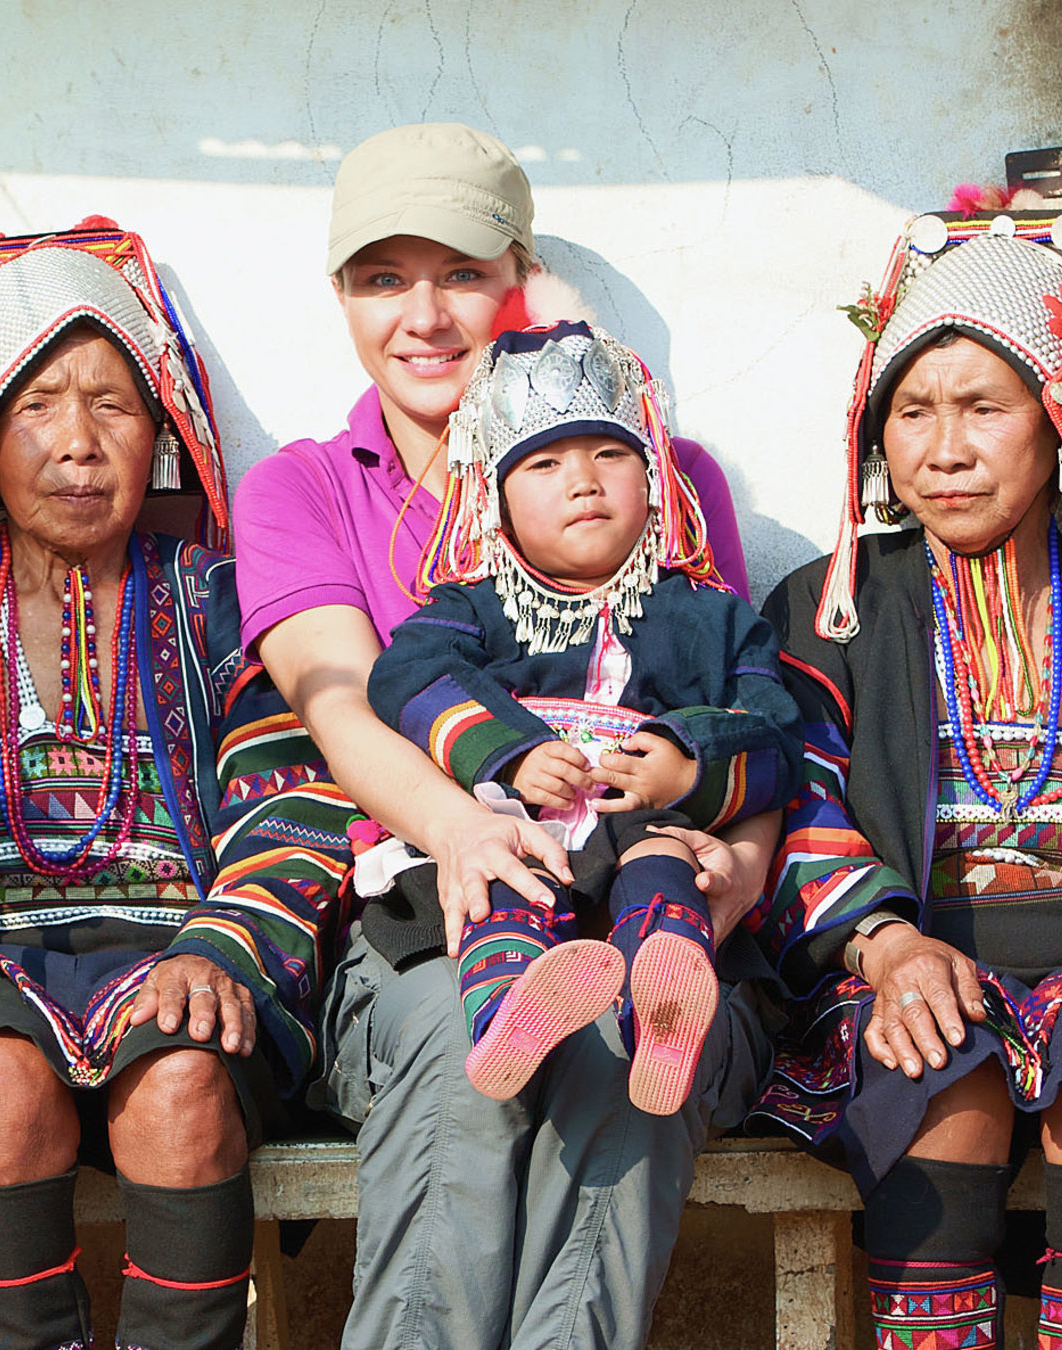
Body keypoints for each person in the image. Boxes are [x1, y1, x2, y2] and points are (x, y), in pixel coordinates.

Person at [232, 122, 776, 1348]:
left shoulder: (657, 472)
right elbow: (340, 699)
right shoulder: (304, 490)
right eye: (381, 280)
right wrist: (466, 832)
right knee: (462, 1054)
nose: (421, 316)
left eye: (461, 274)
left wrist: (736, 864)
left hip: (655, 907)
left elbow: (736, 704)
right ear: (340, 298)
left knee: (640, 1042)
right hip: (430, 928)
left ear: (517, 277)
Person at [0, 221, 351, 1350]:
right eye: (39, 404)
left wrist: (218, 949)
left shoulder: (224, 609)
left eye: (113, 405)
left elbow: (296, 806)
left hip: (192, 951)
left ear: (164, 437)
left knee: (185, 1087)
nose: (79, 443)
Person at [748, 207, 1062, 1348]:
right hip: (893, 970)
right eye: (913, 414)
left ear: (1055, 422)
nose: (943, 449)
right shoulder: (827, 610)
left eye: (982, 408)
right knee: (943, 1076)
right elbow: (793, 798)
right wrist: (883, 947)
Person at [365, 321, 800, 1110]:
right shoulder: (471, 608)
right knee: (507, 887)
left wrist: (687, 760)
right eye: (543, 463)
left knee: (669, 870)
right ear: (492, 501)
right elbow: (406, 675)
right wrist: (509, 753)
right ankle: (511, 1013)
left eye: (609, 455)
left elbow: (772, 725)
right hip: (520, 824)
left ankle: (661, 1011)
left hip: (638, 822)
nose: (583, 481)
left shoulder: (713, 616)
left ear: (654, 478)